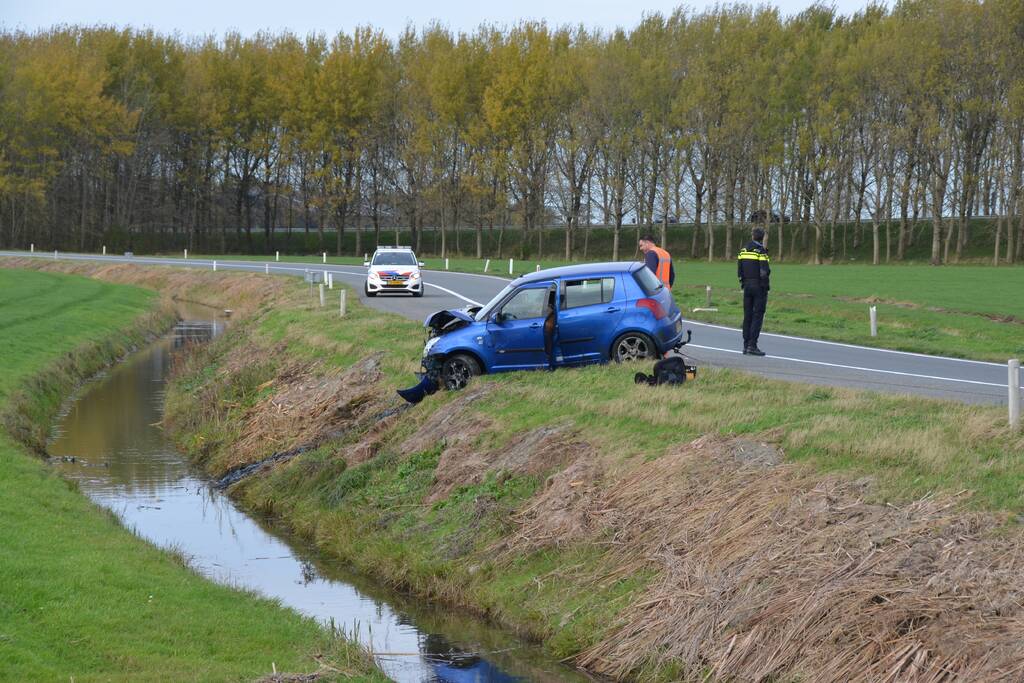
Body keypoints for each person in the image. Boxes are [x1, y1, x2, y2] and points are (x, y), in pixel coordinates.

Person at [737, 227, 770, 356]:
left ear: (752, 236)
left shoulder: (743, 250)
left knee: (747, 315)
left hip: (747, 286)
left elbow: (739, 269)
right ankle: (752, 345)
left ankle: (745, 345)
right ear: (762, 238)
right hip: (758, 286)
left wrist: (743, 283)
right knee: (758, 315)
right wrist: (765, 286)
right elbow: (764, 271)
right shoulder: (761, 251)